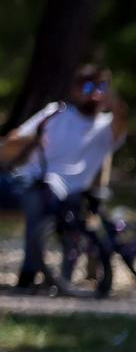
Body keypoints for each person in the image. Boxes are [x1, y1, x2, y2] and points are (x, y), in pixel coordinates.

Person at [1, 64, 128, 292]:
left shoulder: (105, 127)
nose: (94, 92)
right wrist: (32, 140)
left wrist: (114, 101)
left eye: (101, 87)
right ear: (75, 90)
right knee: (36, 198)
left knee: (42, 205)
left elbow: (121, 121)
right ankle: (33, 275)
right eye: (88, 86)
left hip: (71, 193)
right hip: (27, 181)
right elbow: (12, 141)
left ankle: (38, 276)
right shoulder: (56, 113)